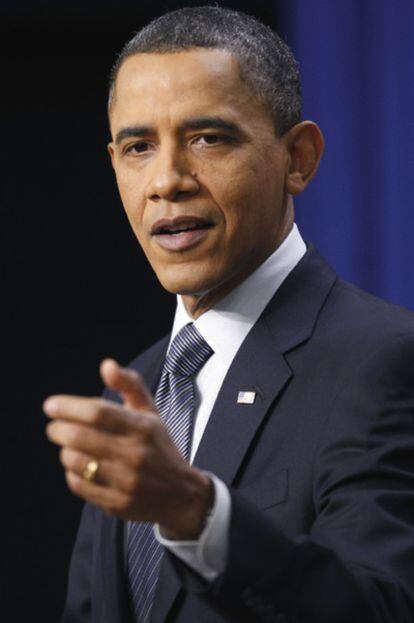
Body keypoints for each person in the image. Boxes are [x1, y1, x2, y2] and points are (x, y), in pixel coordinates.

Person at [43, 6, 414, 623]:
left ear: (298, 158)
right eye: (138, 147)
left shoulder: (383, 360)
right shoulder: (133, 399)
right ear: (114, 166)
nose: (167, 181)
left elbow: (383, 606)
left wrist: (200, 515)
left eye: (207, 138)